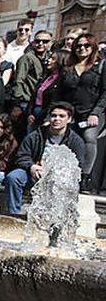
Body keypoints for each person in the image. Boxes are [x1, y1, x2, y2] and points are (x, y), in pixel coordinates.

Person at [4, 102, 87, 215]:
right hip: (34, 174)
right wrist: (32, 166)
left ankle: (51, 219)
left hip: (58, 179)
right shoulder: (36, 136)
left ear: (69, 119)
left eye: (61, 116)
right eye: (53, 115)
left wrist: (57, 172)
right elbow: (21, 156)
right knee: (13, 177)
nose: (56, 119)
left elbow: (78, 166)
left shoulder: (76, 141)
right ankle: (13, 214)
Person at [58, 34, 106, 190]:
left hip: (93, 112)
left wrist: (96, 112)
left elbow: (105, 92)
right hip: (72, 112)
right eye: (78, 46)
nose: (82, 49)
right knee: (66, 140)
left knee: (89, 137)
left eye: (86, 46)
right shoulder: (67, 68)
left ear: (93, 48)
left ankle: (85, 176)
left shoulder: (100, 66)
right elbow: (60, 93)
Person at [6, 29, 52, 140]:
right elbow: (19, 80)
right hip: (25, 102)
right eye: (38, 41)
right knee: (25, 135)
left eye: (45, 41)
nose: (41, 44)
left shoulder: (49, 58)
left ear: (50, 43)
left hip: (41, 103)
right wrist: (17, 104)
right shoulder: (27, 58)